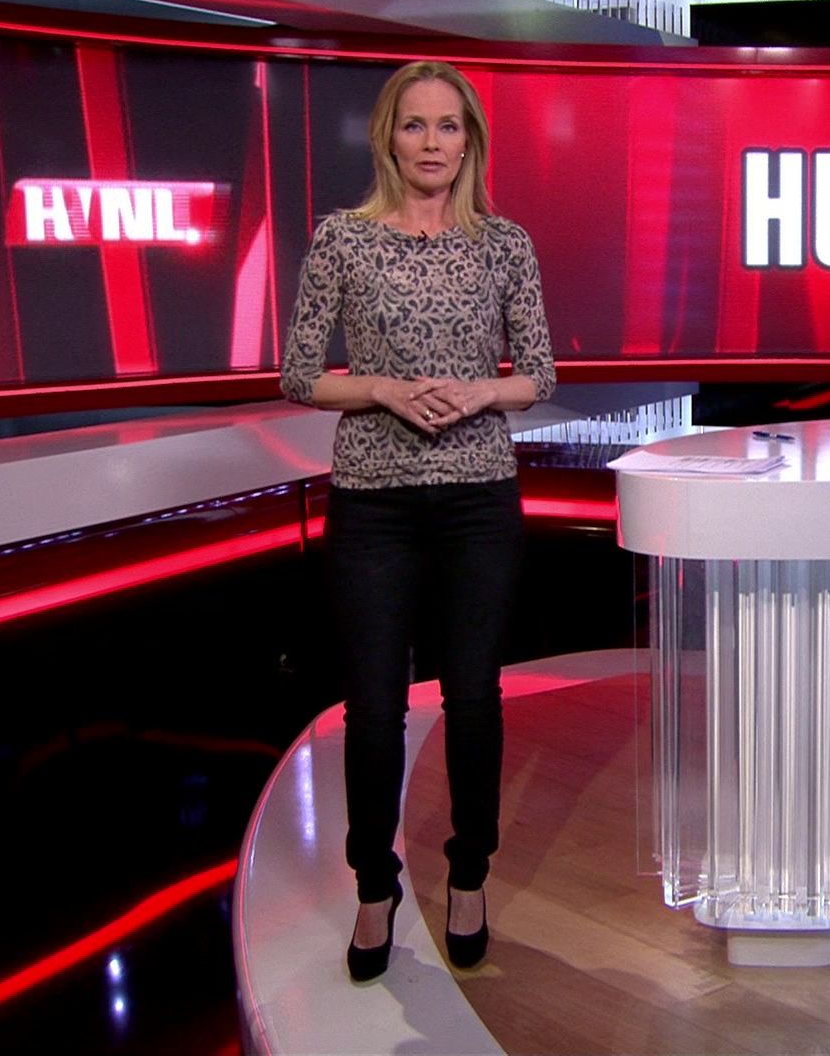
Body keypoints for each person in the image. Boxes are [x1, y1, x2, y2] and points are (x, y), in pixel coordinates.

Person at [279, 59, 557, 981]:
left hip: (478, 497)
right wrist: (385, 390)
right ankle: (374, 886)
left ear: (470, 141)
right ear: (387, 138)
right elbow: (298, 374)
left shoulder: (504, 243)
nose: (431, 143)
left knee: (474, 696)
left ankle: (469, 875)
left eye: (448, 126)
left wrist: (480, 391)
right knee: (374, 706)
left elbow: (539, 374)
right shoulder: (344, 239)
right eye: (414, 124)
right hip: (375, 501)